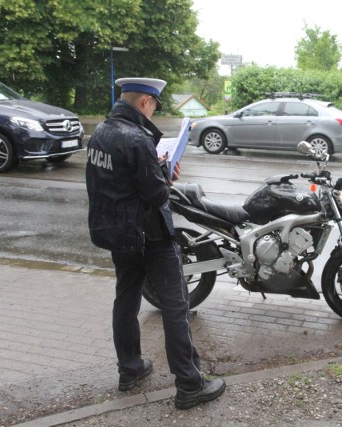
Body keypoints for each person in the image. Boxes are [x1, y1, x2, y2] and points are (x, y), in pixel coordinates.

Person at [85, 77, 226, 410]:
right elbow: (157, 193)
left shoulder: (100, 133)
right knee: (176, 306)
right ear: (145, 102)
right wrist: (166, 173)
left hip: (119, 234)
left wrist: (155, 170)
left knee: (126, 299)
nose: (153, 113)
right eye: (153, 106)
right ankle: (190, 385)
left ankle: (129, 370)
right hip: (151, 236)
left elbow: (111, 183)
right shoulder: (137, 139)